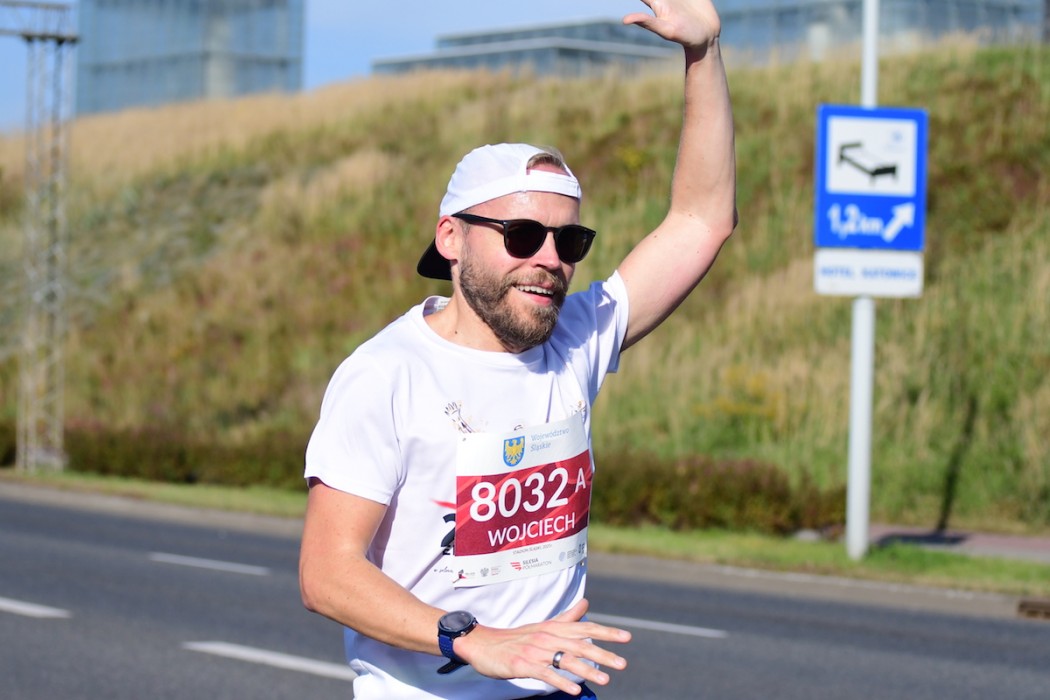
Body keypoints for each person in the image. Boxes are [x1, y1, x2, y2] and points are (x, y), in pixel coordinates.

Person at [298, 0, 737, 697]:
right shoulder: (387, 375)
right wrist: (477, 642)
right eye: (523, 236)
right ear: (451, 238)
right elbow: (327, 575)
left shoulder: (576, 339)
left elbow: (701, 218)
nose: (549, 259)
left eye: (570, 241)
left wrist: (703, 53)